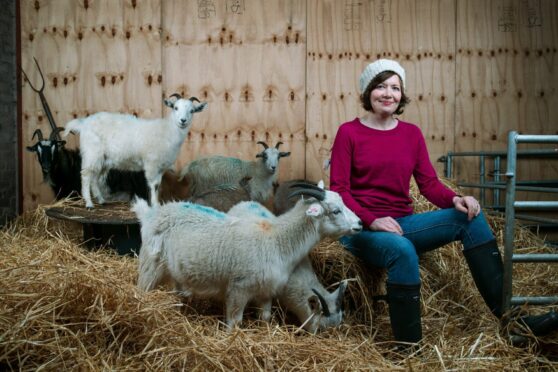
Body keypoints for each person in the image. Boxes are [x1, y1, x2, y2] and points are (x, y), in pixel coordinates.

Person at [330, 58, 558, 346]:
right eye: (380, 86)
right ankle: (409, 349)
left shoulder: (410, 134)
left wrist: (455, 198)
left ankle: (514, 321)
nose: (388, 94)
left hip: (403, 223)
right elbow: (340, 191)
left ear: (402, 95)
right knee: (401, 250)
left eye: (395, 87)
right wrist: (372, 220)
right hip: (358, 228)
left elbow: (428, 185)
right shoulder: (349, 133)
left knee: (469, 218)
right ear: (367, 92)